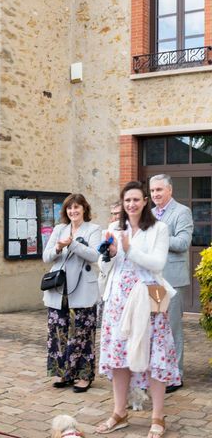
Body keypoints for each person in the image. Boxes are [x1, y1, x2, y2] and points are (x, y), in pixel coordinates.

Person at [95, 181, 180, 438]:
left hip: (151, 293)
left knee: (156, 355)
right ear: (122, 203)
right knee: (118, 356)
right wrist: (109, 255)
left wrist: (130, 250)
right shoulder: (113, 228)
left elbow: (158, 263)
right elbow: (105, 267)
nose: (131, 204)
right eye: (126, 200)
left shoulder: (159, 228)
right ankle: (119, 412)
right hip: (118, 297)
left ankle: (157, 416)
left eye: (136, 199)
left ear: (145, 201)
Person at [42, 194, 102, 393]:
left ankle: (84, 376)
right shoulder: (59, 229)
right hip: (59, 290)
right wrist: (59, 246)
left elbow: (95, 255)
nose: (73, 211)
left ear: (84, 209)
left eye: (77, 207)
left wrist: (73, 244)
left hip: (83, 288)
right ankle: (63, 373)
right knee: (58, 333)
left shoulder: (94, 229)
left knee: (82, 334)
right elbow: (46, 256)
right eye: (69, 208)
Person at [149, 174, 193, 393]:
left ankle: (176, 376)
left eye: (159, 190)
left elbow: (184, 242)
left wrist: (158, 236)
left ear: (170, 191)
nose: (156, 194)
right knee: (157, 328)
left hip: (172, 280)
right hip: (154, 280)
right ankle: (159, 373)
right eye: (153, 191)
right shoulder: (149, 214)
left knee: (172, 328)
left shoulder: (182, 212)